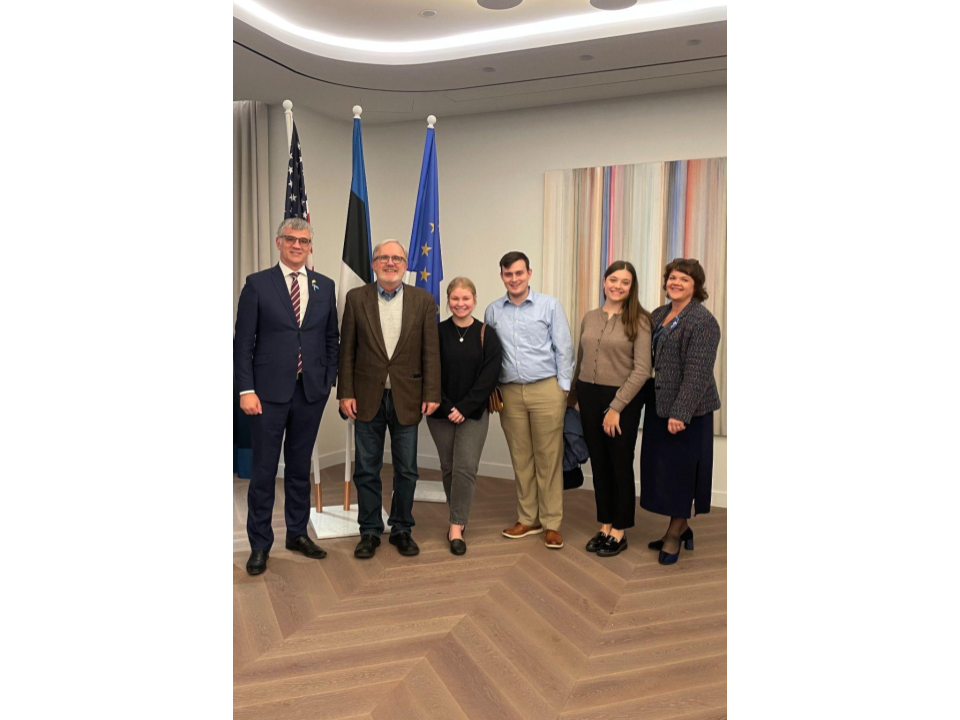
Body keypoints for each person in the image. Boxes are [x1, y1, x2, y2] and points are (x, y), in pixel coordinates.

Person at [234, 218, 339, 575]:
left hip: (310, 393)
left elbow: (330, 339)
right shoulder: (257, 284)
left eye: (304, 240)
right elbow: (243, 343)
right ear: (278, 242)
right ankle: (260, 545)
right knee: (263, 473)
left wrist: (327, 381)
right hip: (266, 395)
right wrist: (246, 389)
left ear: (311, 246)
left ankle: (296, 534)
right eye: (291, 239)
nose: (297, 245)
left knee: (298, 469)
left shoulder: (324, 286)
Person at [338, 240, 441, 559]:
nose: (391, 262)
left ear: (405, 264)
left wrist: (432, 392)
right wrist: (345, 392)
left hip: (408, 396)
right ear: (374, 264)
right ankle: (369, 530)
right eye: (384, 257)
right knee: (366, 469)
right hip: (366, 397)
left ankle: (401, 528)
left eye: (397, 258)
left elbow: (430, 350)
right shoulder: (356, 298)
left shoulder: (423, 300)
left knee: (406, 470)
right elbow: (347, 350)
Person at [484, 251, 574, 550]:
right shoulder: (493, 311)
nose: (514, 279)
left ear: (529, 274)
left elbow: (564, 348)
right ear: (502, 276)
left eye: (519, 273)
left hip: (546, 389)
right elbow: (491, 354)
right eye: (508, 274)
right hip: (510, 392)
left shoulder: (550, 305)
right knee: (521, 458)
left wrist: (562, 388)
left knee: (548, 458)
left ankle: (552, 523)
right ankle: (528, 518)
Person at [567, 261, 652, 557]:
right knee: (599, 464)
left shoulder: (640, 321)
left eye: (625, 282)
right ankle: (604, 525)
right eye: (613, 279)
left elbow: (642, 370)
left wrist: (616, 407)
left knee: (619, 463)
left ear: (632, 287)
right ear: (604, 282)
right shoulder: (590, 317)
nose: (618, 286)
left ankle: (620, 530)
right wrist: (572, 402)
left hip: (623, 399)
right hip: (589, 396)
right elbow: (581, 359)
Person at [640, 258, 721, 565]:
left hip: (689, 412)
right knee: (666, 471)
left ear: (695, 286)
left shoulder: (702, 321)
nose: (676, 283)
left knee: (684, 474)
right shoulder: (660, 314)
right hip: (660, 405)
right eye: (672, 277)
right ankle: (679, 527)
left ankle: (675, 533)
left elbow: (698, 372)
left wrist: (681, 412)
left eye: (684, 280)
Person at [427, 278, 503, 555]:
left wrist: (466, 407)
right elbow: (430, 371)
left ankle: (457, 525)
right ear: (448, 300)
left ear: (475, 299)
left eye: (466, 299)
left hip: (474, 413)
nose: (460, 304)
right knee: (448, 467)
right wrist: (448, 407)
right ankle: (457, 513)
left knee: (465, 467)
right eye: (455, 299)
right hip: (440, 412)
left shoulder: (487, 334)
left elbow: (489, 376)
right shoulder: (435, 332)